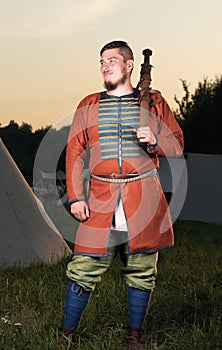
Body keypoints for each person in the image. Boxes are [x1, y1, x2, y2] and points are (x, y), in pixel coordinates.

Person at [58, 40, 184, 350]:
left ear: (129, 66)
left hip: (144, 194)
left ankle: (134, 336)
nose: (105, 65)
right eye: (102, 61)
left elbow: (177, 145)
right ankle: (66, 335)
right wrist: (76, 197)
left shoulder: (153, 101)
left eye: (112, 60)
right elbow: (75, 151)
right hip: (99, 195)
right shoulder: (89, 103)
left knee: (142, 269)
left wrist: (155, 140)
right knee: (83, 266)